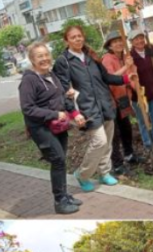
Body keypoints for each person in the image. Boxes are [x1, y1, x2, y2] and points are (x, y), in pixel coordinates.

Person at [54, 24, 131, 192]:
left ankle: (104, 173)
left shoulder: (91, 57)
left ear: (83, 37)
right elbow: (64, 90)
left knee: (107, 142)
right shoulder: (64, 61)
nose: (77, 39)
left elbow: (107, 77)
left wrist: (126, 79)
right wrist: (74, 113)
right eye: (73, 37)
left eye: (79, 36)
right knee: (99, 141)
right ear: (66, 40)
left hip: (105, 105)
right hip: (86, 109)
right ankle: (82, 174)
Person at [18, 42, 86, 215]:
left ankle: (64, 194)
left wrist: (72, 108)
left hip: (58, 125)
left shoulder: (51, 75)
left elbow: (61, 98)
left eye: (46, 54)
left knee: (61, 159)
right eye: (39, 56)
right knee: (57, 159)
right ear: (32, 59)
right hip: (41, 127)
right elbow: (28, 108)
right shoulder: (29, 80)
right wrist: (54, 114)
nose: (44, 58)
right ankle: (59, 201)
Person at [100, 31, 143, 174]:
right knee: (115, 133)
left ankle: (129, 155)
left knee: (126, 129)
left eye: (120, 41)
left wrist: (138, 90)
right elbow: (109, 77)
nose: (118, 43)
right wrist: (126, 67)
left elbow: (131, 77)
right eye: (115, 42)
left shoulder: (126, 57)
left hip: (124, 98)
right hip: (112, 100)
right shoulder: (107, 59)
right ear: (110, 46)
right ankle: (117, 164)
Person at [128, 29, 153, 152]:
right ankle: (148, 144)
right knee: (143, 121)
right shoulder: (130, 57)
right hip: (139, 96)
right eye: (136, 39)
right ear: (132, 42)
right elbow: (129, 76)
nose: (140, 41)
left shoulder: (149, 51)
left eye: (141, 38)